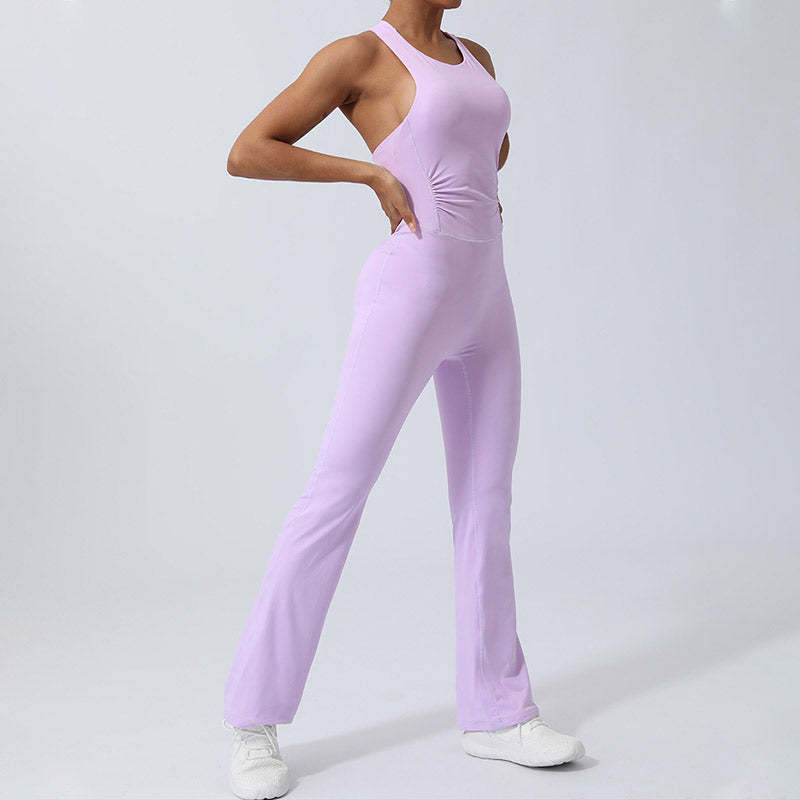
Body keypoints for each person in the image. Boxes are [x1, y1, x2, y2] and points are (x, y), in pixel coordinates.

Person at [222, 2, 585, 797]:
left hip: (487, 296)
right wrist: (372, 172)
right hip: (411, 291)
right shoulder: (358, 55)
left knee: (487, 501)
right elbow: (249, 150)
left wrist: (459, 173)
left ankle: (497, 712)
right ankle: (253, 721)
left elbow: (487, 150)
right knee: (336, 494)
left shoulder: (474, 52)